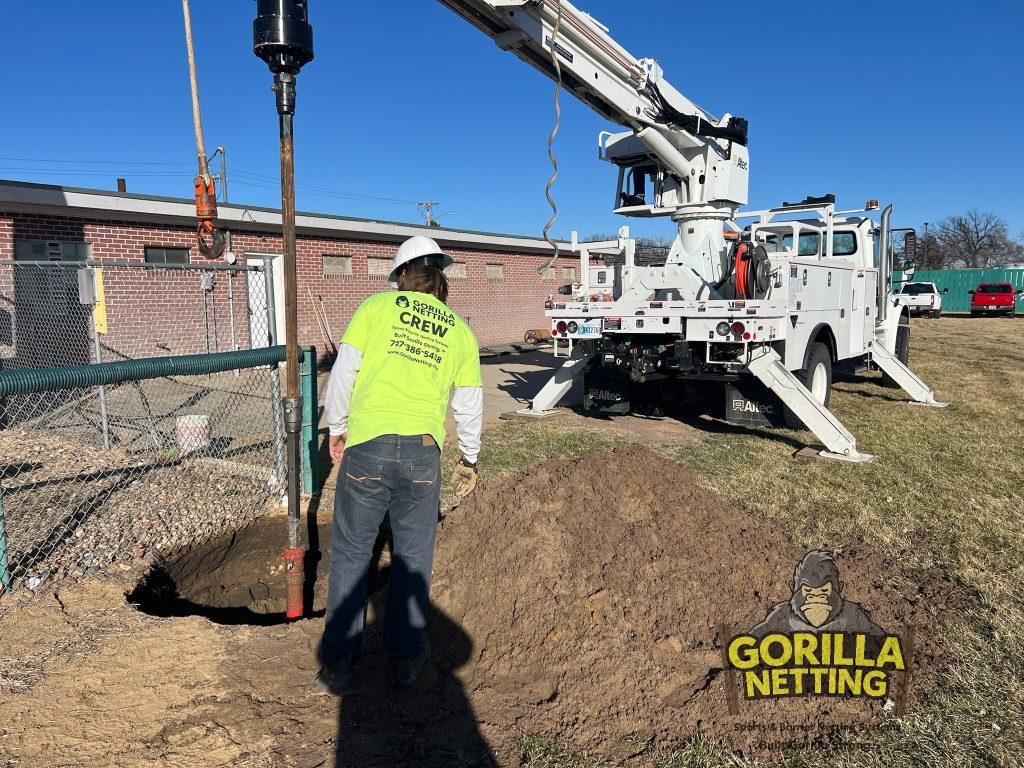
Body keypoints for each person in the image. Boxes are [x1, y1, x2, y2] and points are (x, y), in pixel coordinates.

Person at [314, 235, 483, 695]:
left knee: (352, 553)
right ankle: (406, 663)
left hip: (367, 448)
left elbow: (344, 371)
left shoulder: (375, 309)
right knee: (412, 560)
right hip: (423, 455)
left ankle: (337, 668)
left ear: (400, 276)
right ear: (440, 276)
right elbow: (469, 403)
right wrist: (470, 455)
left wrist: (338, 428)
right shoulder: (459, 331)